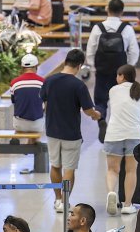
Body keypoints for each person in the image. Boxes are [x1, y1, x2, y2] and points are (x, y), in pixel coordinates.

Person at [40, 52, 100, 212]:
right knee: (69, 168)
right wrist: (96, 115)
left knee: (55, 165)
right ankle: (65, 202)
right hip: (71, 133)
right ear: (79, 65)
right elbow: (88, 110)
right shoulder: (78, 85)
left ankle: (57, 199)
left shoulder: (49, 80)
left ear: (65, 62)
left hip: (52, 130)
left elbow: (44, 101)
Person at [104, 65, 140, 214]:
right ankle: (127, 205)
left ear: (122, 76)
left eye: (117, 75)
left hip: (113, 134)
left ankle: (112, 192)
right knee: (131, 171)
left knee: (113, 170)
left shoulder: (113, 90)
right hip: (134, 134)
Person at [87, 0, 139, 125]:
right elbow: (134, 51)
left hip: (102, 70)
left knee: (100, 101)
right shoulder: (127, 28)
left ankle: (101, 120)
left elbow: (90, 50)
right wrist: (129, 67)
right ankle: (117, 126)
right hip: (121, 73)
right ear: (122, 12)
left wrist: (94, 67)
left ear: (107, 9)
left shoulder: (98, 28)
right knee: (121, 101)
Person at [9, 54, 45, 133]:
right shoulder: (43, 82)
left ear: (22, 68)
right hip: (37, 124)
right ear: (36, 66)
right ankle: (33, 143)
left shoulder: (14, 83)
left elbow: (13, 101)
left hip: (19, 124)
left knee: (18, 122)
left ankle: (18, 144)